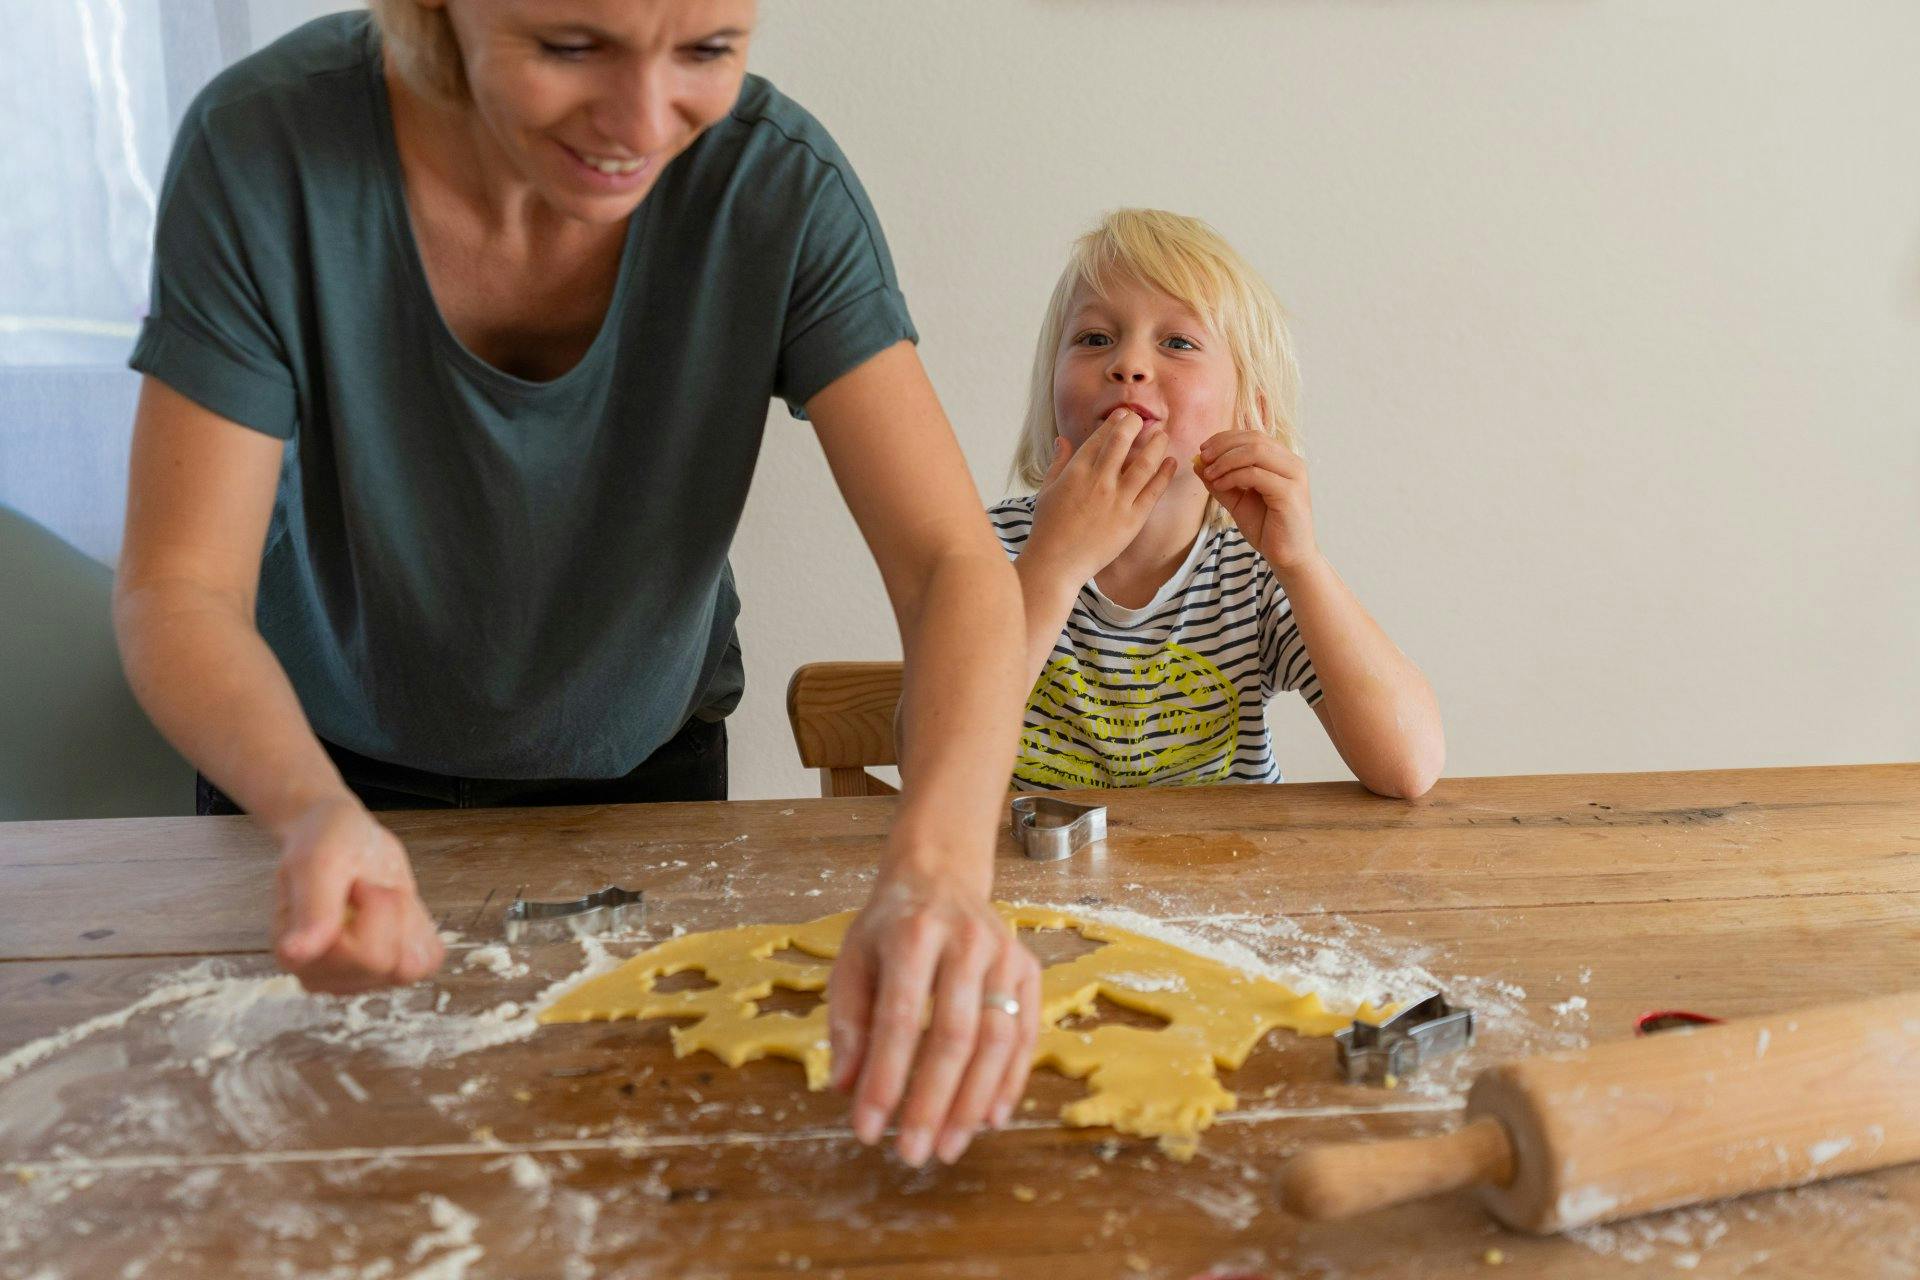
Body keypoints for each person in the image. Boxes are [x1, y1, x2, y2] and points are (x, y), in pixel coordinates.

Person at [112, 0, 1037, 1169]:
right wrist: (309, 811)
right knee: (310, 1165)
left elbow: (952, 563)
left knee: (631, 1175)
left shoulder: (778, 185)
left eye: (708, 50)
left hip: (641, 778)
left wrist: (942, 870)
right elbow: (177, 586)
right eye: (571, 46)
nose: (643, 121)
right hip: (307, 776)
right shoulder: (267, 147)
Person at [990, 209, 1444, 795]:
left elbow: (1408, 767)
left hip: (1225, 876)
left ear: (1248, 412)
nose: (1127, 364)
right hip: (1024, 883)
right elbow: (929, 756)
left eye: (1177, 342)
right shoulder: (987, 552)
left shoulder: (1254, 573)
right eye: (1094, 338)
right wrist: (1053, 565)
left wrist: (1302, 565)